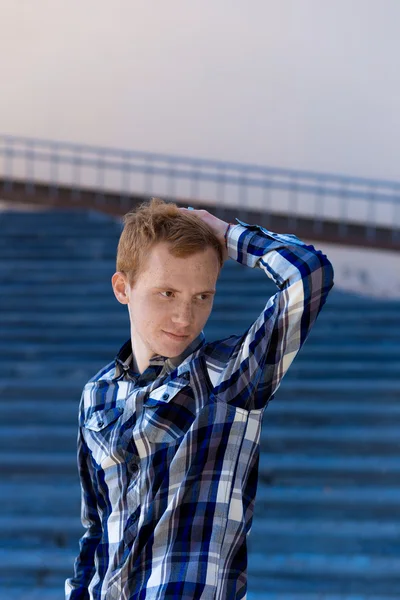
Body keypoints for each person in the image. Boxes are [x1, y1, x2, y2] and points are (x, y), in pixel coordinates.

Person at [65, 197, 334, 600]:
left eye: (202, 297)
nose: (184, 318)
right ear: (123, 288)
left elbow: (308, 274)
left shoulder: (232, 375)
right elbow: (97, 530)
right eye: (167, 293)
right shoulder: (96, 395)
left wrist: (227, 234)